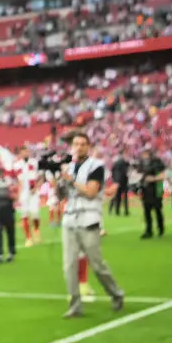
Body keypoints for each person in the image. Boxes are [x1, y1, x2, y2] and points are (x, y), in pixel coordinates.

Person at [60, 131, 124, 318]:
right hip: (70, 218)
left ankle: (116, 293)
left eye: (82, 144)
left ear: (88, 147)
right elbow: (62, 196)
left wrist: (70, 181)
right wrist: (58, 182)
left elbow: (91, 191)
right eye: (76, 144)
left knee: (97, 264)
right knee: (69, 265)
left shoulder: (96, 166)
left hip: (88, 219)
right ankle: (75, 305)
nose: (78, 147)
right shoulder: (69, 167)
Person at [13, 146, 42, 246]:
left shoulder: (34, 162)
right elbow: (19, 180)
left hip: (34, 192)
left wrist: (36, 187)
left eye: (27, 151)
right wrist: (18, 194)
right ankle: (28, 238)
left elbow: (39, 176)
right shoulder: (17, 165)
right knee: (24, 215)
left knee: (35, 214)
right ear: (20, 153)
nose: (26, 153)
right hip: (24, 192)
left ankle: (36, 229)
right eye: (23, 152)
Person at [139, 147, 166, 239]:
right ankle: (148, 230)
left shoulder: (156, 162)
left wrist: (153, 179)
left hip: (155, 191)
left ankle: (161, 228)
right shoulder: (141, 162)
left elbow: (162, 175)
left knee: (158, 210)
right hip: (145, 191)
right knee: (146, 212)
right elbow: (139, 174)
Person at [109, 151, 130, 216]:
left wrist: (115, 180)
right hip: (122, 182)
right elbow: (124, 172)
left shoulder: (116, 162)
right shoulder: (123, 162)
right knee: (124, 197)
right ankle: (125, 211)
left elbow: (112, 172)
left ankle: (115, 210)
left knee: (116, 197)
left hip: (116, 181)